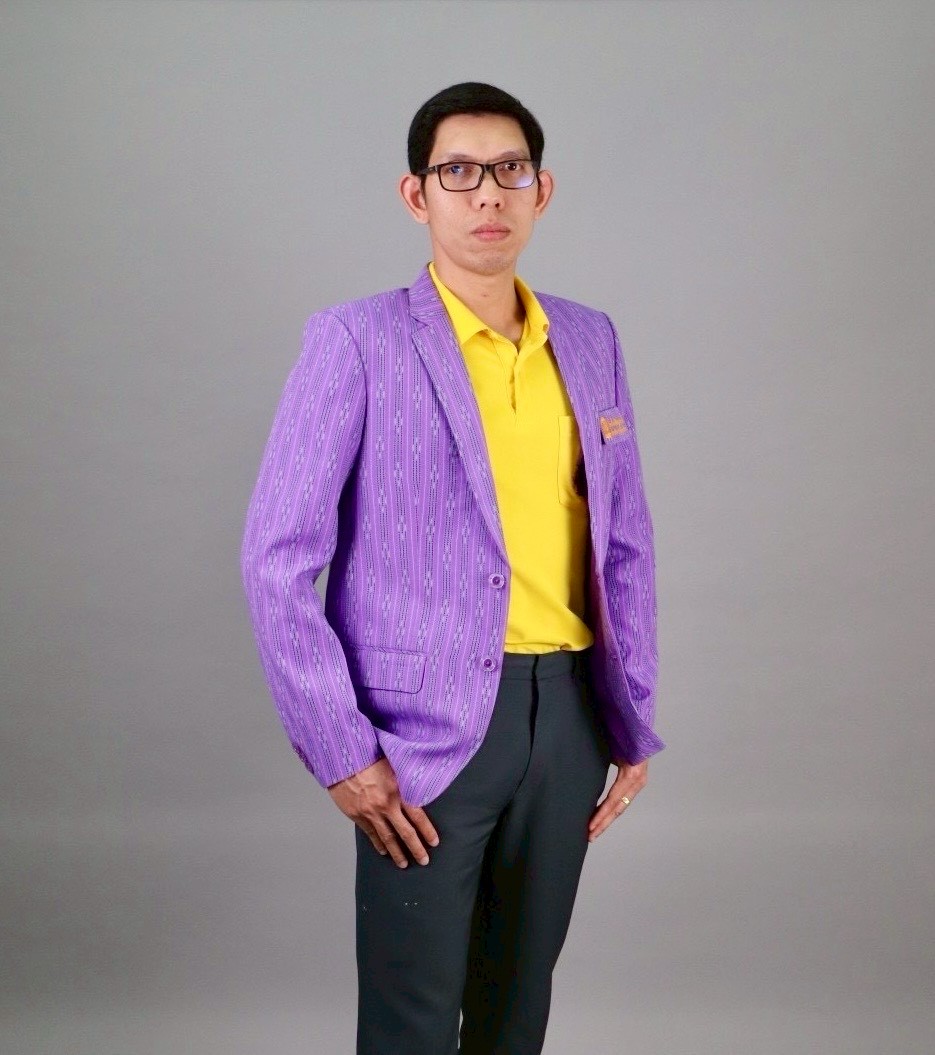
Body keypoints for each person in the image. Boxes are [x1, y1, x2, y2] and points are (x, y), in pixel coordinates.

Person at [241, 81, 665, 1055]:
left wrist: (630, 711)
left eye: (508, 170)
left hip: (568, 715)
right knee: (413, 1021)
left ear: (540, 190)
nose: (486, 194)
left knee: (517, 1011)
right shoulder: (355, 340)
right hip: (420, 733)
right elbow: (275, 559)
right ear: (416, 195)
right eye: (458, 172)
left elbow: (624, 538)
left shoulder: (588, 338)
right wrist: (340, 749)